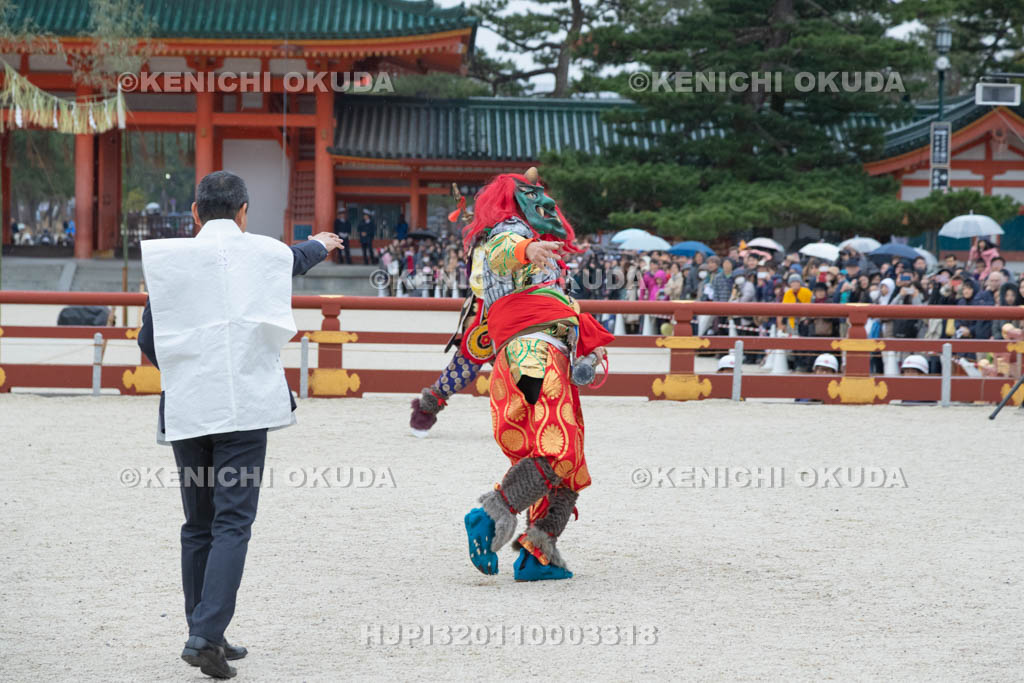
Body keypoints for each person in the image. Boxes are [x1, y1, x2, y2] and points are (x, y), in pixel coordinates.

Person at [137, 171, 341, 679]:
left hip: (188, 410)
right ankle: (206, 634)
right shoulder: (265, 254)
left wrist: (187, 374)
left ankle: (204, 630)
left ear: (194, 212)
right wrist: (320, 242)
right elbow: (295, 259)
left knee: (198, 524)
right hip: (245, 410)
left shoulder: (170, 261)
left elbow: (147, 340)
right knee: (233, 521)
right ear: (245, 211)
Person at [462, 167, 613, 582]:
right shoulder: (509, 230)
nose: (544, 202)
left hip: (542, 353)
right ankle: (491, 514)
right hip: (533, 356)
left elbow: (560, 305)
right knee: (557, 446)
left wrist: (589, 340)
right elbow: (503, 250)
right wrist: (526, 250)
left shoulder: (537, 247)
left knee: (569, 459)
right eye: (534, 195)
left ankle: (537, 551)